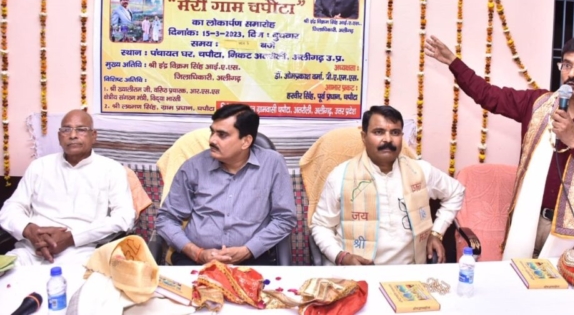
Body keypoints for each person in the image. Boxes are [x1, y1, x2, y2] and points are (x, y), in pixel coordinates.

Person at [425, 34, 574, 260]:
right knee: (518, 284)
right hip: (527, 220)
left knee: (564, 292)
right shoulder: (538, 104)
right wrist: (453, 63)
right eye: (566, 65)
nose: (571, 73)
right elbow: (489, 96)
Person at [310, 105, 465, 265]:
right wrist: (341, 257)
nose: (388, 139)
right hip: (356, 274)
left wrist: (437, 233)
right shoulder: (340, 176)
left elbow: (456, 191)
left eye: (395, 132)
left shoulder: (420, 170)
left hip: (409, 275)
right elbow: (320, 225)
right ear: (364, 137)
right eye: (379, 132)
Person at [156, 104, 296, 266]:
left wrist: (248, 250)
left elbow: (284, 218)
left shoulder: (272, 164)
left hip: (252, 259)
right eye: (212, 132)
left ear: (246, 141)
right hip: (195, 260)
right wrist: (197, 253)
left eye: (222, 135)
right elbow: (166, 219)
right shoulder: (193, 166)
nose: (211, 140)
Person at [0, 110, 135, 266]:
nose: (73, 135)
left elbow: (124, 217)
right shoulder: (39, 166)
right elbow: (11, 207)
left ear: (94, 136)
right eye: (66, 129)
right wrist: (29, 230)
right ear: (59, 137)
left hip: (79, 252)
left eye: (81, 129)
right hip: (30, 251)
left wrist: (72, 237)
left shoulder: (112, 169)